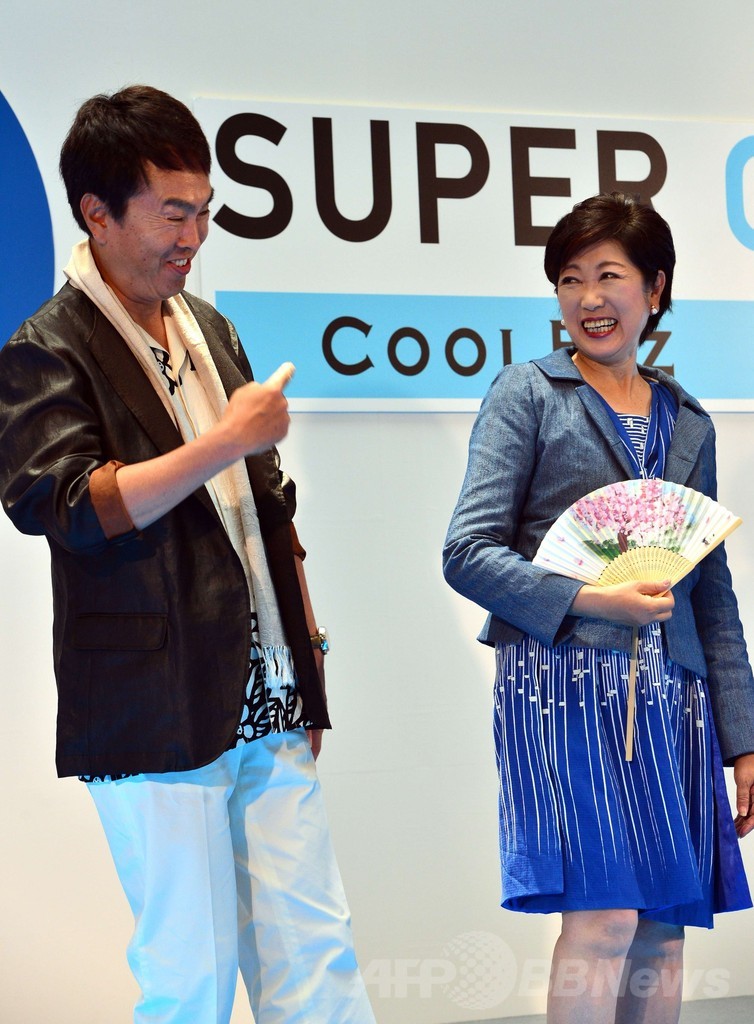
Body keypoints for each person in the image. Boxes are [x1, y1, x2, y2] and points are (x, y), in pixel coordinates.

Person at [0, 85, 375, 1024]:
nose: (193, 237)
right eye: (172, 213)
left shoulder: (211, 330)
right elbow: (65, 506)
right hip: (151, 699)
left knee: (315, 952)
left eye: (203, 211)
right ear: (97, 212)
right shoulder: (47, 346)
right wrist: (221, 442)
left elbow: (269, 502)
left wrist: (306, 652)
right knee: (189, 974)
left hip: (266, 687)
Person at [443, 192, 754, 1024]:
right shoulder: (528, 393)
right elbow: (466, 551)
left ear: (655, 288)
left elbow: (711, 589)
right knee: (605, 917)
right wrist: (590, 598)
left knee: (662, 929)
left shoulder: (687, 419)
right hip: (562, 683)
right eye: (570, 279)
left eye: (608, 275)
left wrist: (743, 738)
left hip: (673, 694)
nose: (588, 298)